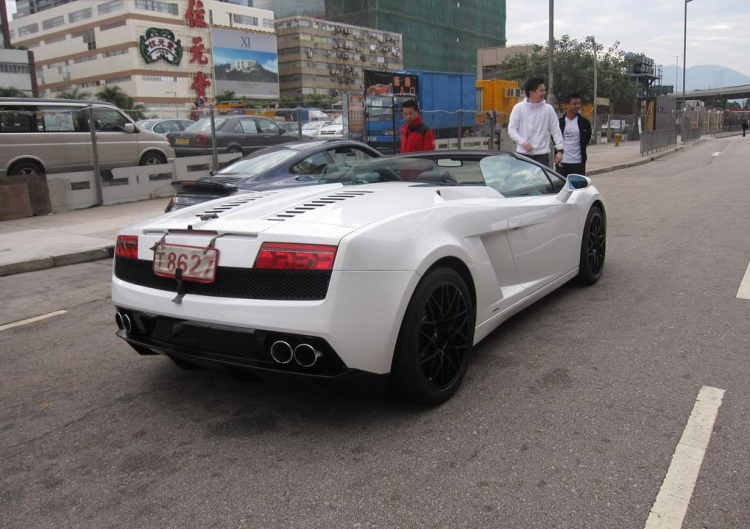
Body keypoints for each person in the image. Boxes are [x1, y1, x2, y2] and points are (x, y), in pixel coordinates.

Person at [508, 78, 564, 168]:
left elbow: (556, 130)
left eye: (544, 90)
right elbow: (511, 130)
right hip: (523, 156)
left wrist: (560, 150)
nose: (544, 93)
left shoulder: (548, 109)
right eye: (541, 90)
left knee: (543, 182)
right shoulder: (518, 108)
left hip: (542, 157)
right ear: (531, 93)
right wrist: (523, 142)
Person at [557, 93, 593, 176]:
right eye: (574, 104)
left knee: (578, 188)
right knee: (562, 188)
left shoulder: (584, 123)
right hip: (562, 163)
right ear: (567, 105)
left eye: (579, 103)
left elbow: (587, 139)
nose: (577, 106)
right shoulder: (559, 123)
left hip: (578, 163)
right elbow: (555, 138)